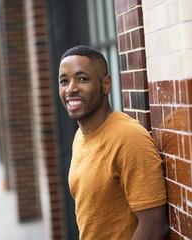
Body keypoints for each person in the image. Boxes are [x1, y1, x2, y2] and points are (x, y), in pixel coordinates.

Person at [58, 45, 168, 240]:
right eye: (64, 81)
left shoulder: (128, 138)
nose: (71, 88)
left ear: (106, 85)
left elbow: (154, 228)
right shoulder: (80, 137)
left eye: (82, 79)